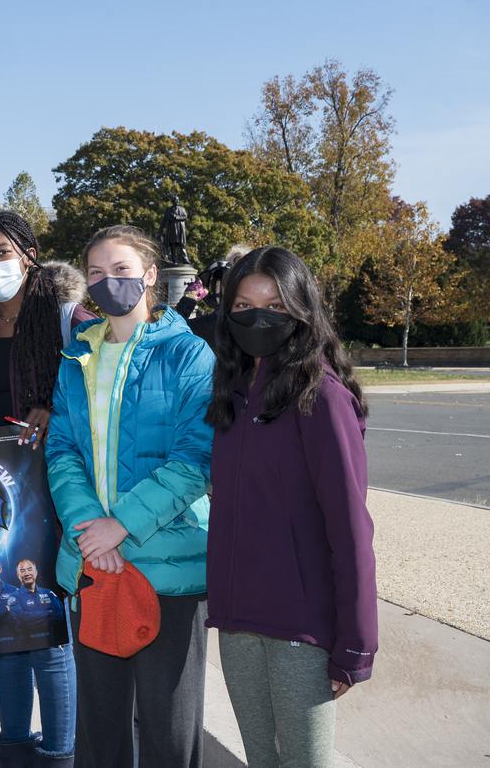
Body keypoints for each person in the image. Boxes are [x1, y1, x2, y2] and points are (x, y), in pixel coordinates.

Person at [46, 224, 216, 768]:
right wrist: (91, 530)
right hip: (94, 565)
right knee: (99, 734)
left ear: (148, 276)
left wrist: (120, 525)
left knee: (169, 733)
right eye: (95, 272)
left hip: (167, 567)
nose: (106, 281)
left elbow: (196, 459)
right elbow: (62, 451)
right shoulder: (76, 357)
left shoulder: (189, 355)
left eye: (120, 270)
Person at [205, 246, 377, 768]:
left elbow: (351, 530)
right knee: (263, 760)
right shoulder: (231, 394)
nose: (258, 317)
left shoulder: (322, 397)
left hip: (301, 631)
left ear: (303, 310)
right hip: (238, 626)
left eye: (276, 305)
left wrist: (355, 645)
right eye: (243, 304)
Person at [0, 210, 85, 766]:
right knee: (0, 626)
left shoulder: (67, 317)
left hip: (48, 492)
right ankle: (13, 750)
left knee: (49, 635)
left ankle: (59, 754)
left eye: (2, 253)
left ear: (30, 252)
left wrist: (54, 408)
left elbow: (91, 395)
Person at [13, 560, 66, 638]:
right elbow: (22, 619)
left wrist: (32, 617)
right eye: (22, 571)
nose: (27, 573)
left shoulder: (48, 593)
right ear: (18, 575)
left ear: (36, 572)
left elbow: (60, 615)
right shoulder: (14, 597)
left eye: (30, 569)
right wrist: (49, 613)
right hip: (27, 644)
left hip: (51, 643)